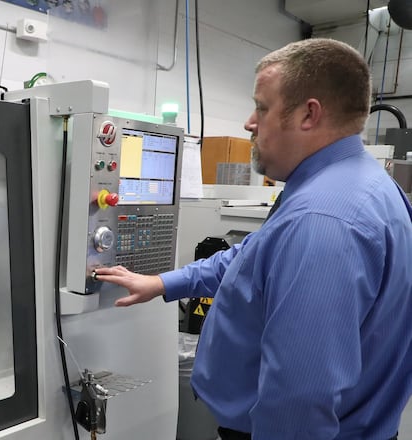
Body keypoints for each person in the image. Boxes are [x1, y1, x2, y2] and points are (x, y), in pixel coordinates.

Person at [94, 38, 412, 440]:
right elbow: (252, 255)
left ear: (308, 114)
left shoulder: (321, 220)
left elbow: (299, 398)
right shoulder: (358, 186)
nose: (249, 122)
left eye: (262, 107)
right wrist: (162, 283)